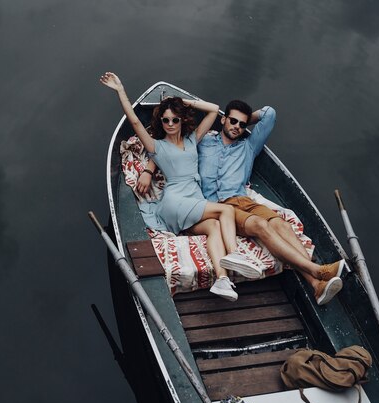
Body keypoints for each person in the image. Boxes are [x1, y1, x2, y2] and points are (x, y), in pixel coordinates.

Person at [100, 72, 260, 301]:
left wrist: (181, 103)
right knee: (226, 210)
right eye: (166, 120)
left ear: (182, 119)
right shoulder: (157, 146)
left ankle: (222, 280)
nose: (171, 124)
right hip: (175, 202)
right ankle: (235, 254)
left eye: (175, 119)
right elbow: (135, 121)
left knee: (214, 226)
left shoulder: (192, 139)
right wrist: (121, 91)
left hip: (192, 202)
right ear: (161, 123)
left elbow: (214, 109)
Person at [197, 100, 345, 305]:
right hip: (222, 208)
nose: (237, 127)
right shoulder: (204, 142)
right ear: (223, 119)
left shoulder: (248, 147)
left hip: (244, 200)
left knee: (281, 224)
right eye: (232, 121)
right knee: (260, 225)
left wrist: (248, 120)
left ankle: (316, 285)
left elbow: (269, 114)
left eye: (242, 124)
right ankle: (317, 271)